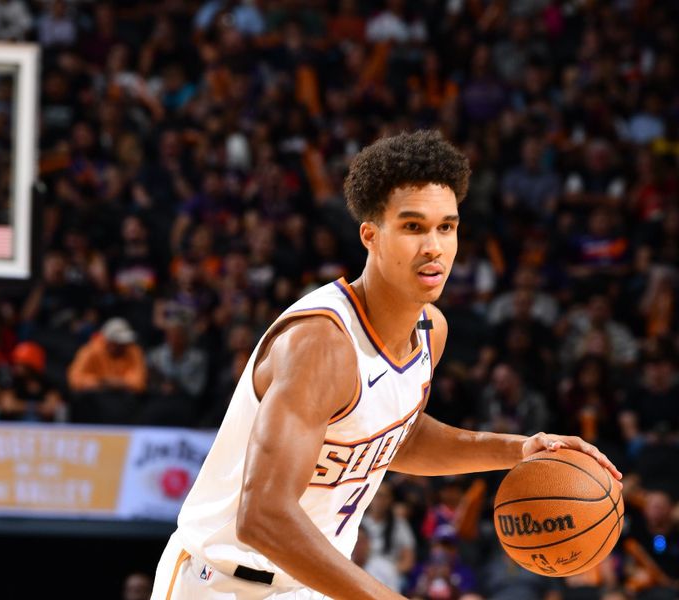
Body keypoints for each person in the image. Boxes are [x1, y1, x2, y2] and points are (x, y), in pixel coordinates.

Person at [151, 130, 622, 600]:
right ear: (371, 236)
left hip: (315, 584)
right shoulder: (322, 345)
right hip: (222, 583)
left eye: (447, 227)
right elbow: (263, 515)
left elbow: (396, 434)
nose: (434, 247)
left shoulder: (429, 331)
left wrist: (520, 450)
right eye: (413, 227)